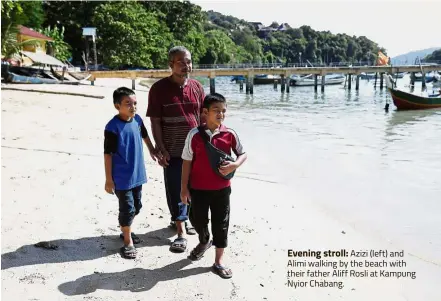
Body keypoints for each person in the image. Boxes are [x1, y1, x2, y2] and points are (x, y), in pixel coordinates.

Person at [181, 93, 247, 279]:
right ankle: (204, 240)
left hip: (222, 190)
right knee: (197, 220)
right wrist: (183, 188)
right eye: (216, 110)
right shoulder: (194, 135)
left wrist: (235, 165)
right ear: (205, 112)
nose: (221, 114)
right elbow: (186, 161)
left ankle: (218, 262)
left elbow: (242, 154)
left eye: (223, 111)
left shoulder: (230, 134)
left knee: (222, 225)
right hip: (198, 189)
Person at [147, 46, 205, 252]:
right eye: (180, 62)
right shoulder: (158, 89)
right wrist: (159, 148)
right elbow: (155, 121)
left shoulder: (197, 87)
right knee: (175, 189)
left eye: (188, 61)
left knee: (194, 188)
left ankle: (183, 219)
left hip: (196, 150)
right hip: (172, 149)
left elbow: (203, 118)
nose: (186, 65)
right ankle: (180, 230)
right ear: (171, 65)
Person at [104, 87, 159, 259]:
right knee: (127, 209)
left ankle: (125, 229)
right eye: (128, 103)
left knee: (137, 206)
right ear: (117, 106)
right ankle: (127, 241)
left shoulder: (137, 120)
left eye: (135, 103)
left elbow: (145, 136)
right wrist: (108, 180)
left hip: (137, 174)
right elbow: (107, 155)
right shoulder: (112, 127)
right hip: (121, 177)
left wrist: (152, 150)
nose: (133, 107)